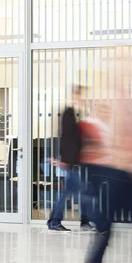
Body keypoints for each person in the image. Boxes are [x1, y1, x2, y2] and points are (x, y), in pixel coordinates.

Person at [48, 86, 96, 233]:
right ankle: (57, 221)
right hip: (72, 161)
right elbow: (68, 139)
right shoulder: (69, 113)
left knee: (73, 192)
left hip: (75, 161)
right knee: (75, 193)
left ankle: (61, 221)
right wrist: (66, 161)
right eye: (79, 96)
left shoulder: (75, 114)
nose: (81, 99)